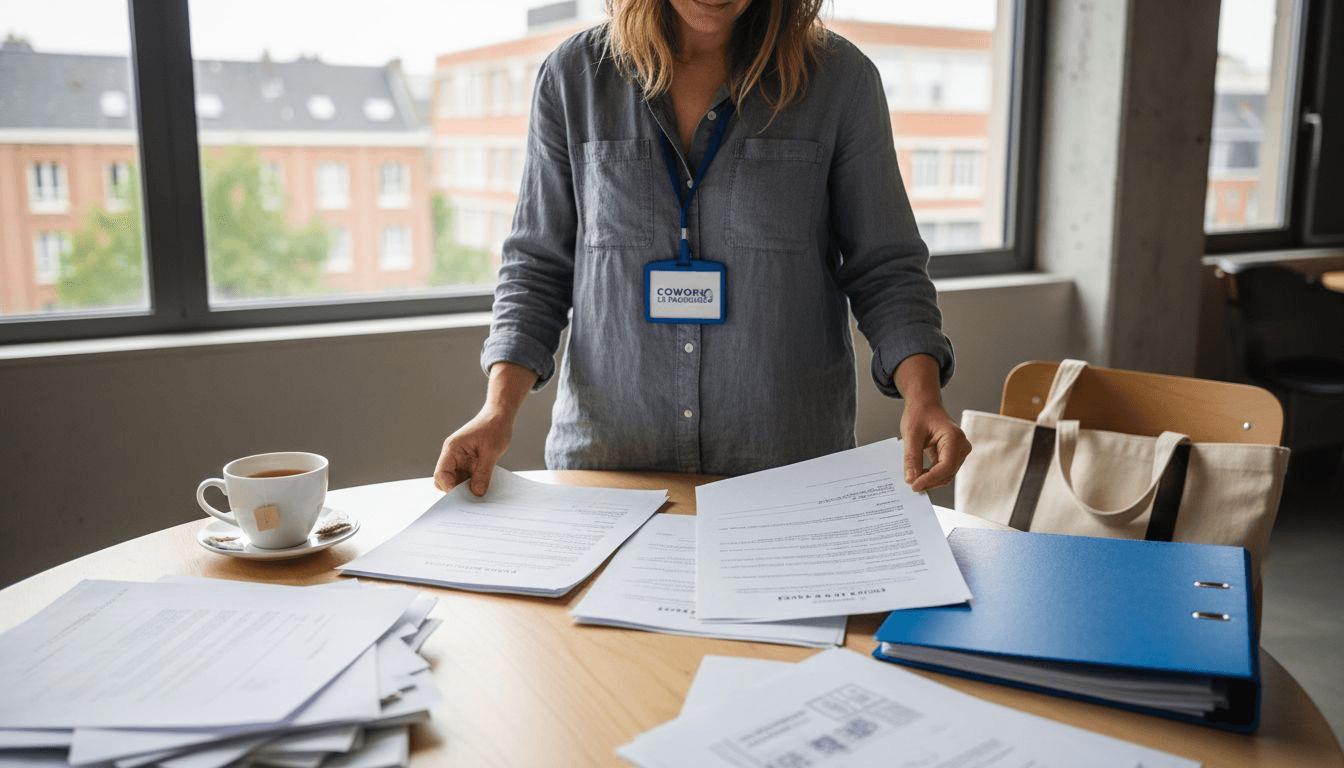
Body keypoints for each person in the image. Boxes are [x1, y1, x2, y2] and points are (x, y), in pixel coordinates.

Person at [435, 0, 971, 497]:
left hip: (788, 475)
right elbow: (537, 266)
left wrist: (924, 398)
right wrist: (497, 411)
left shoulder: (841, 81)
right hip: (608, 471)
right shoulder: (572, 79)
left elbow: (885, 267)